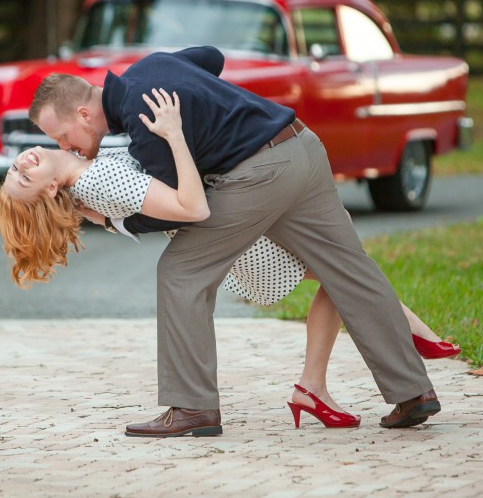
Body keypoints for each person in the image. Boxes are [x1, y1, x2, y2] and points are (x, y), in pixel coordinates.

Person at [28, 46, 443, 436]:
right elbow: (211, 57)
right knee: (348, 270)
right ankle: (413, 392)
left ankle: (192, 407)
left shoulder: (145, 119)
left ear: (84, 114)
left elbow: (179, 207)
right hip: (302, 145)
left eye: (62, 136)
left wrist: (115, 221)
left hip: (259, 173)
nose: (63, 147)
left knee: (182, 270)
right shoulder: (148, 68)